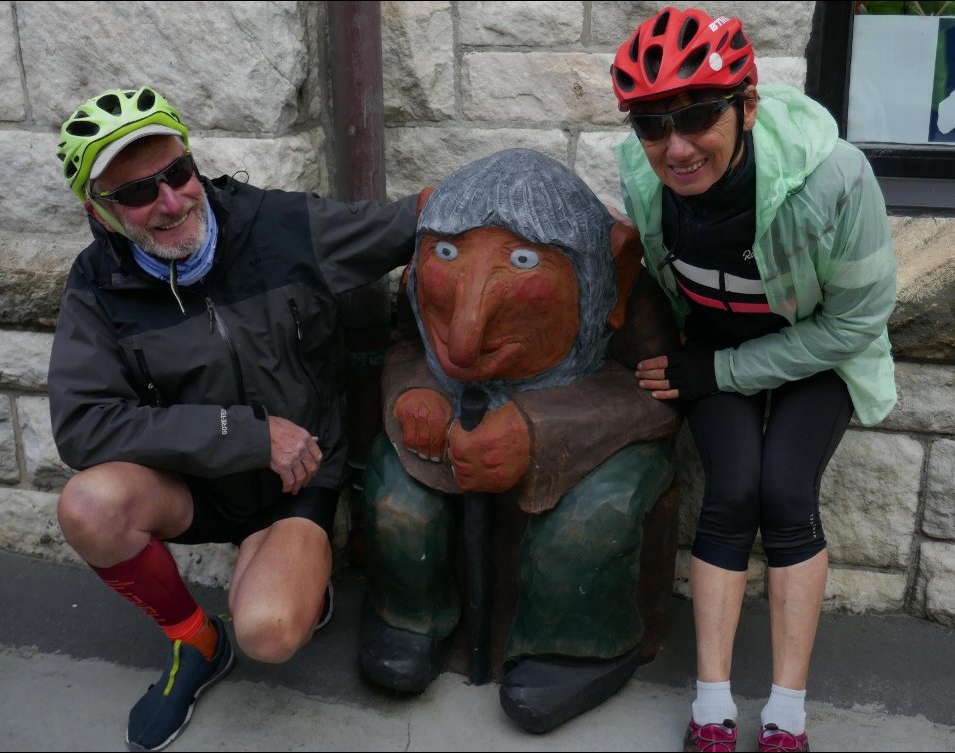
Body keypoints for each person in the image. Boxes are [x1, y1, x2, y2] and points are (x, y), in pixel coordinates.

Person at [48, 86, 418, 752]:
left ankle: (290, 574)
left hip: (296, 481)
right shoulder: (96, 285)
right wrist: (243, 433)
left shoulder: (276, 225)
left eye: (177, 173)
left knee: (270, 631)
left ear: (193, 162)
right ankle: (196, 640)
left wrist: (507, 185)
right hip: (198, 483)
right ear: (98, 212)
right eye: (136, 193)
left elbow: (402, 225)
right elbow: (83, 426)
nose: (169, 201)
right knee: (86, 505)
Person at [610, 8, 897, 753]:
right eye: (650, 124)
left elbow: (854, 324)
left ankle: (786, 715)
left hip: (818, 345)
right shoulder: (644, 175)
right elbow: (655, 274)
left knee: (786, 494)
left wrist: (721, 371)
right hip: (714, 344)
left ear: (747, 106)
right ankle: (712, 706)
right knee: (733, 490)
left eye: (698, 115)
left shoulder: (835, 178)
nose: (674, 146)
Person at [359, 148, 682, 733]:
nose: (464, 337)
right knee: (397, 497)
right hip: (456, 434)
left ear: (616, 269)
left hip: (587, 448)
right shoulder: (417, 290)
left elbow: (659, 399)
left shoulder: (627, 294)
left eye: (525, 260)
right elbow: (408, 348)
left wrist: (540, 431)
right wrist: (413, 394)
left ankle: (576, 645)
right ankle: (410, 617)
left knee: (590, 522)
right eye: (448, 253)